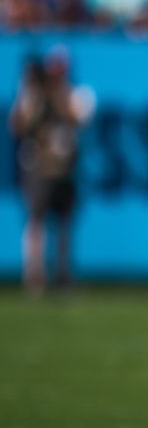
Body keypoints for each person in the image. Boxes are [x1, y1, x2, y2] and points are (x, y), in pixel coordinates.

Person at [8, 47, 94, 295]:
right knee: (37, 220)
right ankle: (35, 275)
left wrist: (55, 98)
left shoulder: (73, 94)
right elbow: (17, 125)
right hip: (39, 167)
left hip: (65, 167)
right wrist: (31, 90)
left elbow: (79, 119)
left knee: (65, 223)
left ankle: (62, 273)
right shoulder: (33, 94)